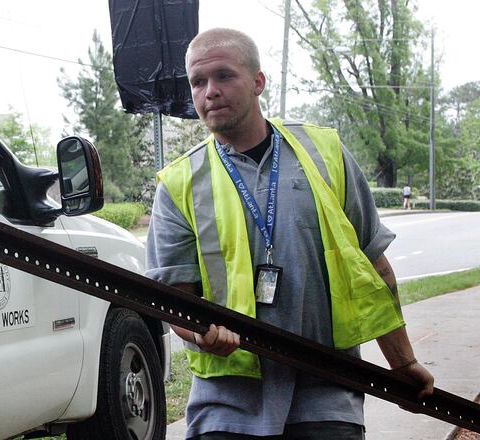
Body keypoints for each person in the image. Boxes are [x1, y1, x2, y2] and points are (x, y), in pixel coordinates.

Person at [145, 28, 434, 440]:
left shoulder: (324, 152)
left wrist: (402, 364)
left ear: (259, 82)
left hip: (327, 392)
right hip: (227, 406)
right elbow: (174, 298)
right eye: (198, 81)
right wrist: (200, 333)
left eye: (224, 76)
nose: (210, 91)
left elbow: (375, 266)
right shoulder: (179, 184)